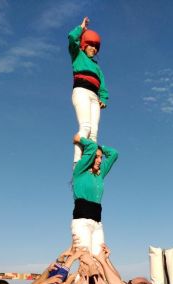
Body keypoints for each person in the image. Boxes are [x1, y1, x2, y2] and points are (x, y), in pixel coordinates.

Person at [68, 16, 108, 165]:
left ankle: (90, 165)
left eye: (96, 46)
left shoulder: (97, 67)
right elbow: (72, 38)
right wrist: (81, 28)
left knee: (94, 133)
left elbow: (102, 84)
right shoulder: (77, 55)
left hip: (94, 97)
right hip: (81, 92)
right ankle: (77, 163)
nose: (94, 48)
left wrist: (103, 98)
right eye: (91, 45)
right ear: (84, 45)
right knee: (85, 126)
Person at [71, 134, 118, 255]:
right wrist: (79, 139)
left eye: (101, 157)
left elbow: (114, 154)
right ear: (89, 157)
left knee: (99, 261)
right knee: (86, 264)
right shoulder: (80, 170)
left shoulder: (100, 174)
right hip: (82, 222)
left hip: (97, 223)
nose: (99, 160)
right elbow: (91, 146)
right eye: (96, 157)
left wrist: (100, 147)